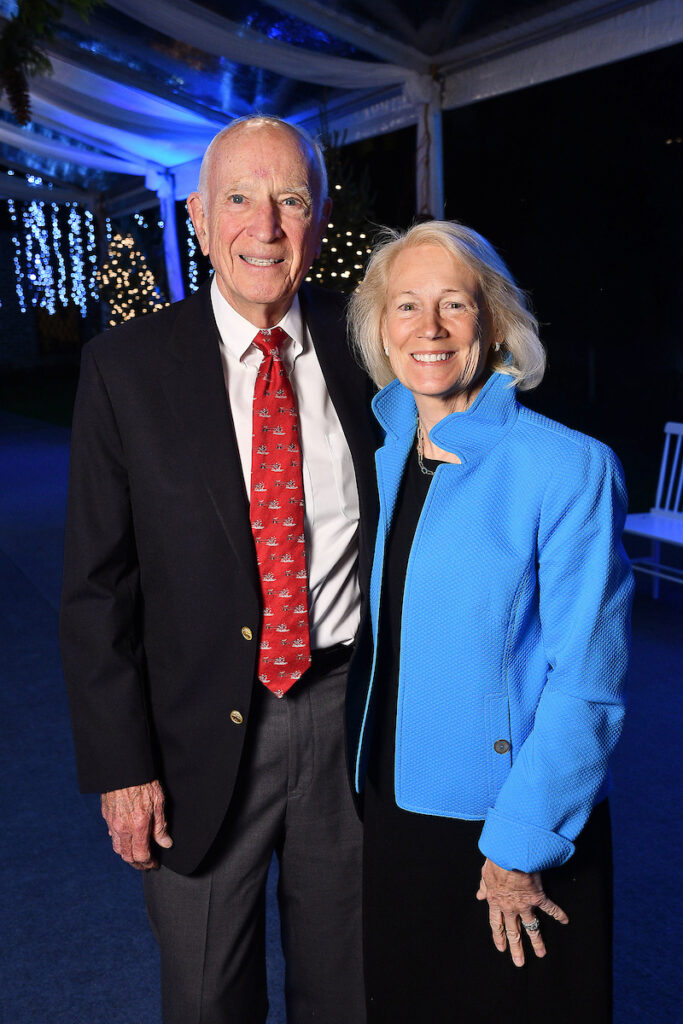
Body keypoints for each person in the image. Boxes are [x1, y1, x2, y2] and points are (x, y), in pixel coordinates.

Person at [60, 115, 379, 1024]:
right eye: (239, 199)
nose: (265, 226)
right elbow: (94, 588)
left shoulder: (370, 351)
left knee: (348, 993)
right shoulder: (123, 369)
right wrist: (122, 768)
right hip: (196, 733)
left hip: (344, 717)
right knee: (205, 999)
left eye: (289, 200)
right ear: (198, 217)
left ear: (316, 222)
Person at [346, 220, 633, 1023]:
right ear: (380, 327)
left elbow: (589, 685)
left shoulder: (566, 466)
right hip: (398, 811)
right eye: (405, 306)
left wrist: (519, 846)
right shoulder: (395, 448)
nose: (426, 329)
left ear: (496, 322)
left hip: (507, 824)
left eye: (453, 305)